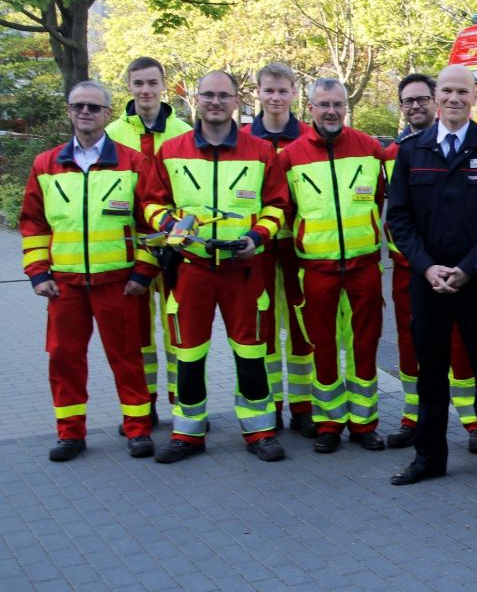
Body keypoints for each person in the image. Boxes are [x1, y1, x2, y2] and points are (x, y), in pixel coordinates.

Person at [143, 70, 289, 463]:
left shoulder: (260, 151)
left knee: (251, 351)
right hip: (192, 268)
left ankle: (259, 430)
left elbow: (278, 205)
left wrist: (256, 237)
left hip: (242, 270)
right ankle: (186, 435)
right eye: (208, 95)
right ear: (196, 98)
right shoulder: (171, 150)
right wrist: (174, 227)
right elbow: (151, 202)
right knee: (188, 352)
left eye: (223, 96)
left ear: (237, 100)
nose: (215, 102)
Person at [385, 64, 477, 494]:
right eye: (447, 91)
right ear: (436, 97)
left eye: (463, 91)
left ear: (474, 97)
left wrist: (468, 268)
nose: (454, 98)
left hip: (475, 282)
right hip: (428, 281)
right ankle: (429, 457)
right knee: (431, 374)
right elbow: (400, 220)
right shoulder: (410, 150)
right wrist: (426, 267)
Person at [20, 81, 157, 461]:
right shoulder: (46, 165)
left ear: (106, 114)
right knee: (64, 358)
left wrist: (142, 273)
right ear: (68, 110)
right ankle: (70, 433)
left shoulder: (133, 163)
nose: (85, 112)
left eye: (94, 108)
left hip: (120, 283)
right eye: (78, 106)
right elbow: (33, 224)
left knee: (128, 357)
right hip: (64, 285)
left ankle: (138, 429)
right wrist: (38, 273)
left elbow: (150, 225)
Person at [278, 78, 387, 453]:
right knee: (321, 345)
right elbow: (285, 210)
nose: (331, 111)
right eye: (323, 104)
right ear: (309, 109)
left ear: (346, 108)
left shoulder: (369, 148)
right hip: (316, 268)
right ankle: (328, 423)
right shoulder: (290, 156)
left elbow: (380, 199)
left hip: (364, 267)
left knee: (365, 344)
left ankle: (364, 422)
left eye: (337, 104)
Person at [385, 73, 477, 453]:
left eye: (422, 98)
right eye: (408, 101)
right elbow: (394, 213)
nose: (416, 106)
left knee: (462, 347)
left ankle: (473, 421)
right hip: (410, 269)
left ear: (435, 100)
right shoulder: (392, 154)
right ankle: (414, 418)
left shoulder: (468, 145)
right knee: (412, 347)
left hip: (458, 269)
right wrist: (420, 262)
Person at [106, 57, 192, 422]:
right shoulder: (112, 133)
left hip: (175, 247)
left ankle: (182, 404)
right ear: (129, 85)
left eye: (152, 83)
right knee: (137, 336)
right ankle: (144, 406)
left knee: (179, 333)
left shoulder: (183, 131)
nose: (145, 90)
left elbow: (193, 193)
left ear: (163, 85)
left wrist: (181, 237)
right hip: (133, 249)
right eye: (138, 83)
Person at [241, 63, 316, 436]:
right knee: (263, 328)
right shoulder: (241, 138)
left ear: (294, 94)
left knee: (302, 328)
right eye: (269, 90)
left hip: (297, 247)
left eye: (283, 91)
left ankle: (303, 407)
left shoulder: (308, 135)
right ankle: (269, 404)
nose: (275, 97)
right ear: (257, 92)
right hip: (257, 248)